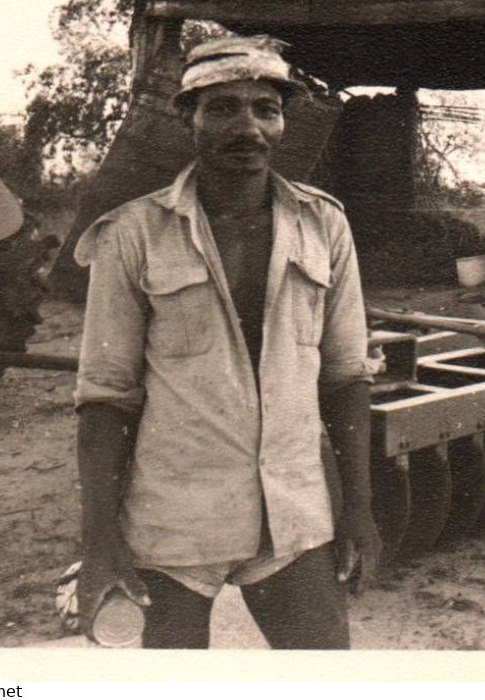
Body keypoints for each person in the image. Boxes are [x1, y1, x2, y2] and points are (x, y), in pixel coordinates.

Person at [71, 35, 381, 649]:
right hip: (171, 521)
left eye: (265, 108)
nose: (248, 127)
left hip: (293, 516)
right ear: (189, 116)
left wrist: (358, 511)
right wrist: (100, 543)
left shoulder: (323, 225)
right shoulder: (134, 234)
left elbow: (346, 379)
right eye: (223, 108)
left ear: (284, 121)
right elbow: (105, 397)